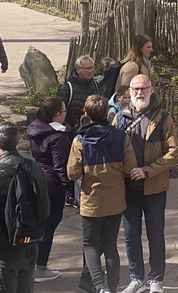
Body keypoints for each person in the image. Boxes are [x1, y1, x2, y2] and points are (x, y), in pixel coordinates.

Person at [116, 75, 178, 293]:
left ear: (151, 90)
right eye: (135, 89)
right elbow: (114, 152)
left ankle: (156, 279)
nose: (139, 93)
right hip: (128, 189)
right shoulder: (119, 118)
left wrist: (147, 171)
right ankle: (136, 278)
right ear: (129, 91)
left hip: (154, 188)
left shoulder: (164, 119)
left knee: (155, 234)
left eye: (143, 89)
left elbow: (173, 153)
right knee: (131, 235)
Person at [68, 95, 134, 293]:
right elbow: (130, 168)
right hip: (115, 200)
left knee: (90, 244)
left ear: (86, 114)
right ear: (107, 112)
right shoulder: (122, 137)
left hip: (91, 202)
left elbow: (72, 173)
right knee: (110, 243)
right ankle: (113, 286)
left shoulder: (80, 140)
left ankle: (99, 286)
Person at [0, 121, 50, 293]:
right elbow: (45, 208)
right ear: (17, 141)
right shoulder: (33, 167)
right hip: (29, 245)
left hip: (3, 251)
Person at [27, 98, 74, 283]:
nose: (66, 114)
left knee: (38, 226)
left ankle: (31, 264)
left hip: (36, 181)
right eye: (64, 111)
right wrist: (70, 189)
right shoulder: (58, 137)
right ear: (57, 115)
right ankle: (40, 268)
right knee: (49, 227)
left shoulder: (35, 130)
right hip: (53, 187)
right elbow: (61, 168)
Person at [59, 55, 102, 136]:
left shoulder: (96, 85)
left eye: (92, 68)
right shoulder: (67, 88)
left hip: (94, 131)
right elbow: (58, 111)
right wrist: (69, 129)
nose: (90, 71)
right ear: (78, 70)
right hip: (73, 133)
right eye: (87, 68)